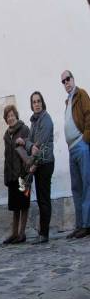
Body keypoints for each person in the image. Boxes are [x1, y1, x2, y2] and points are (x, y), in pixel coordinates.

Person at [17, 91, 55, 243]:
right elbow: (31, 145)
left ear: (42, 103)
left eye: (39, 101)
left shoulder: (46, 120)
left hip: (45, 163)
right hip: (39, 163)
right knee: (40, 199)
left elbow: (39, 145)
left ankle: (44, 234)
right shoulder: (34, 121)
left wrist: (27, 144)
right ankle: (42, 232)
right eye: (34, 102)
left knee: (44, 199)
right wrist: (27, 144)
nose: (37, 104)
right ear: (31, 105)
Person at [61, 70, 90, 239]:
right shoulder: (68, 101)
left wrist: (86, 139)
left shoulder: (81, 94)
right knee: (77, 187)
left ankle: (87, 224)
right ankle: (80, 224)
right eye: (63, 81)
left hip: (81, 145)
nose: (66, 83)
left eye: (68, 79)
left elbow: (89, 115)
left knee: (86, 184)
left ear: (73, 79)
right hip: (72, 148)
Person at [1, 105, 31, 244]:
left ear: (16, 116)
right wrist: (6, 175)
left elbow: (29, 150)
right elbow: (7, 156)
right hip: (12, 175)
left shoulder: (24, 129)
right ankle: (14, 233)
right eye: (8, 116)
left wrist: (26, 171)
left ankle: (22, 233)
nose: (10, 118)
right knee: (14, 205)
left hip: (23, 174)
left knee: (23, 204)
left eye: (12, 115)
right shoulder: (7, 134)